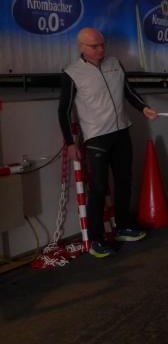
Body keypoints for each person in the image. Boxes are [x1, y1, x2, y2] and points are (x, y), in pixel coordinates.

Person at [57, 27, 157, 258]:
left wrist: (144, 108)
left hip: (121, 131)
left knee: (124, 181)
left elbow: (129, 92)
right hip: (96, 137)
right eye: (94, 46)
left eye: (102, 44)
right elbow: (64, 110)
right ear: (82, 47)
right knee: (99, 188)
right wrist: (70, 142)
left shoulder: (115, 64)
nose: (100, 49)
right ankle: (96, 240)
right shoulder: (72, 73)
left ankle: (123, 227)